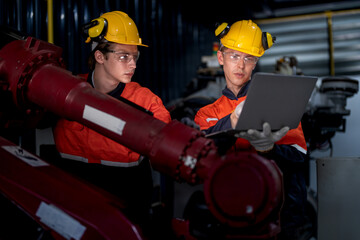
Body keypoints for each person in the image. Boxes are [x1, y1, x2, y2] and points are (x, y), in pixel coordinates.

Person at [52, 11, 171, 234]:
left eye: (135, 56)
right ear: (100, 56)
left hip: (127, 204)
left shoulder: (146, 102)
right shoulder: (65, 92)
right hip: (74, 198)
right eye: (124, 56)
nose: (133, 64)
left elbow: (169, 141)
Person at [194, 20, 308, 239]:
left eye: (249, 58)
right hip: (225, 213)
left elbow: (299, 156)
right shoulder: (206, 113)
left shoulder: (278, 102)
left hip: (276, 218)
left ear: (255, 63)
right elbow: (200, 154)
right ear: (221, 58)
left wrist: (268, 148)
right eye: (234, 56)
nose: (241, 65)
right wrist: (232, 122)